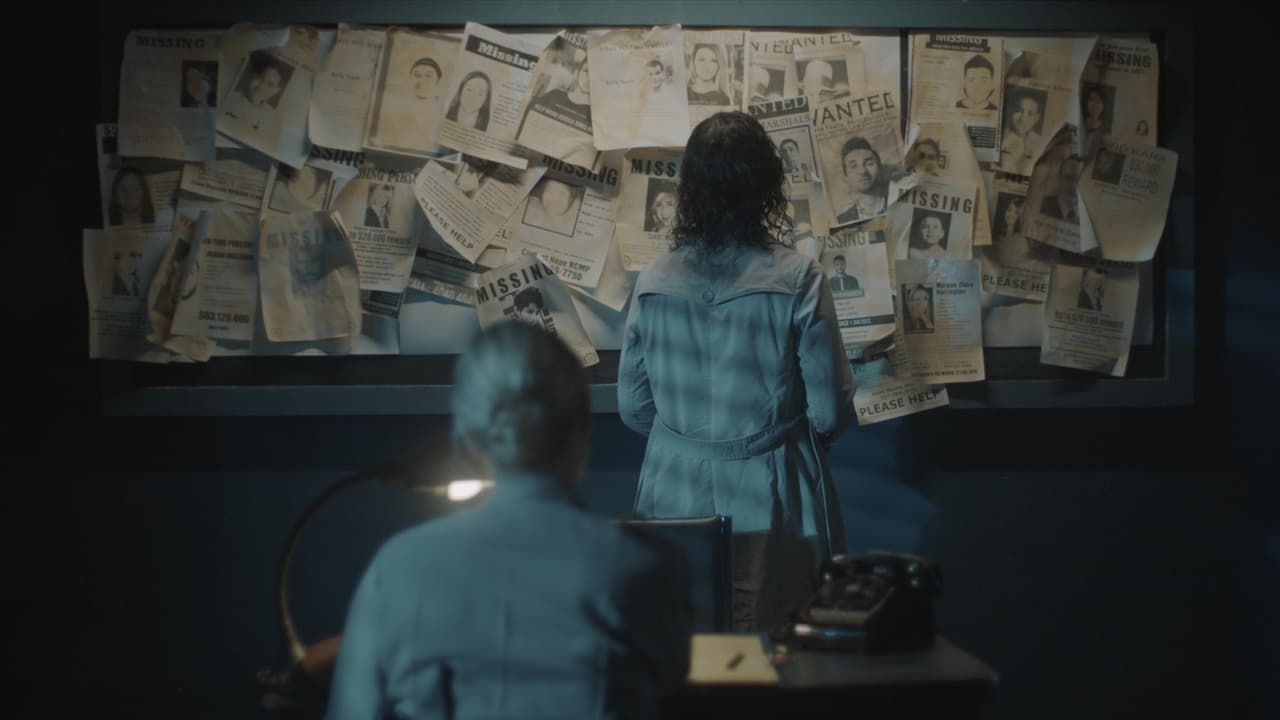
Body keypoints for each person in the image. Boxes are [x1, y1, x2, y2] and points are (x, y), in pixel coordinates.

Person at [328, 321, 693, 720]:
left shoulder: (397, 569)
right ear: (583, 431)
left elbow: (353, 711)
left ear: (468, 439)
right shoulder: (645, 567)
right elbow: (671, 680)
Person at [618, 111, 856, 632]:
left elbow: (633, 407)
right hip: (771, 487)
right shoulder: (798, 277)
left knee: (680, 642)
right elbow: (829, 412)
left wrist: (689, 440)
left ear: (690, 188)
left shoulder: (653, 279)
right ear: (766, 185)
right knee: (772, 645)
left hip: (674, 485)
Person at [834, 136, 888, 223]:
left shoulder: (899, 203)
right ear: (845, 176)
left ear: (880, 168)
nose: (862, 171)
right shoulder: (841, 220)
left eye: (869, 163)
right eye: (853, 166)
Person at [1000, 93, 1044, 174]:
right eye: (1019, 111)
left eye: (1030, 114)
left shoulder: (1040, 142)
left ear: (1036, 118)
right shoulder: (1000, 136)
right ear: (1011, 111)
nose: (1023, 118)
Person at [1039, 157, 1083, 224]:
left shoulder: (1088, 212)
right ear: (1060, 179)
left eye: (1077, 179)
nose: (1073, 185)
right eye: (1068, 178)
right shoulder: (1045, 205)